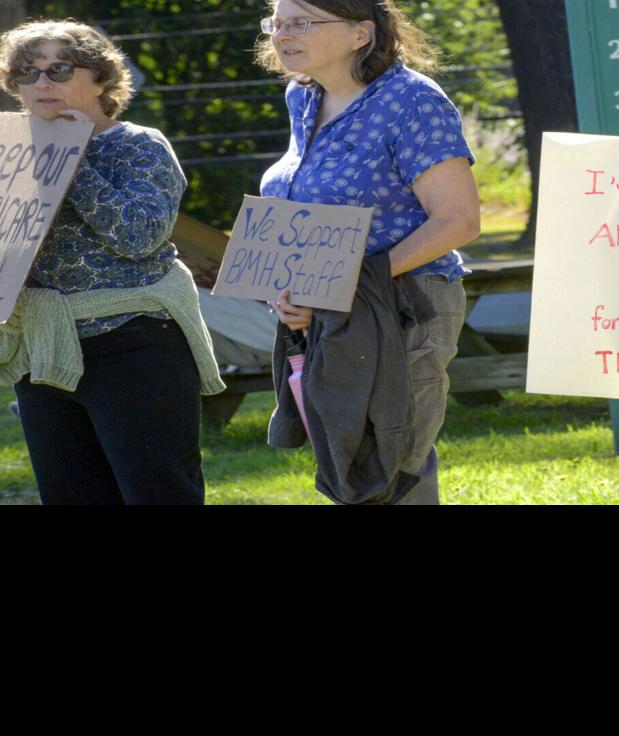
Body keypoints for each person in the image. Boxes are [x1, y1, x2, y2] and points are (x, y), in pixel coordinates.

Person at [256, 0, 480, 504]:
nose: (282, 34)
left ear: (360, 34)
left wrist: (345, 283)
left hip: (406, 303)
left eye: (301, 22)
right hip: (331, 307)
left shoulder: (412, 101)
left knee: (393, 467)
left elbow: (458, 220)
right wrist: (298, 291)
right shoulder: (302, 97)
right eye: (277, 23)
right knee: (350, 463)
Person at [0, 19, 223, 505]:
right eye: (26, 73)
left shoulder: (139, 145)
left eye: (59, 69)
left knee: (157, 493)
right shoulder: (11, 152)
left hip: (135, 345)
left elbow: (138, 237)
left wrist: (68, 159)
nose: (41, 83)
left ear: (101, 78)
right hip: (44, 347)